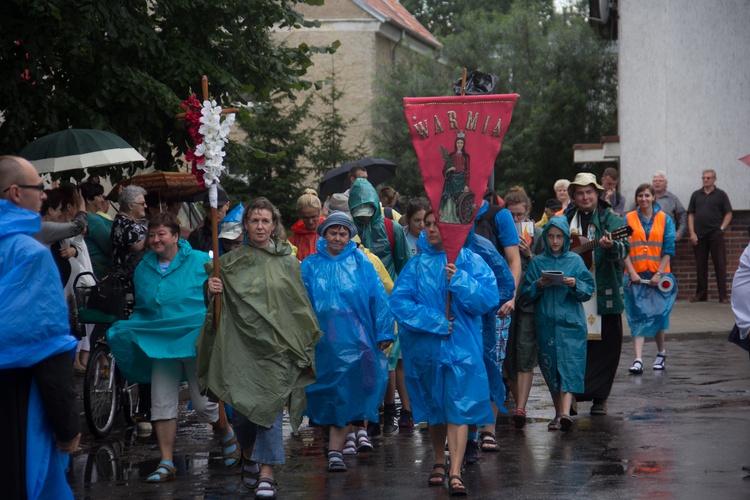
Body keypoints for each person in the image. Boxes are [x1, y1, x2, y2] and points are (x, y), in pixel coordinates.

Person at [198, 197, 321, 497]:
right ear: (246, 226)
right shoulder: (227, 265)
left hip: (278, 349)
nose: (260, 226)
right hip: (243, 348)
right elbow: (217, 308)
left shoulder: (290, 263)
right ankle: (250, 454)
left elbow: (299, 307)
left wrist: (302, 344)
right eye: (255, 221)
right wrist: (211, 289)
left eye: (266, 220)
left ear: (274, 225)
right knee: (242, 411)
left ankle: (267, 473)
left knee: (268, 406)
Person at [106, 213, 234, 482]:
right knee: (161, 403)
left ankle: (226, 432)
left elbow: (219, 294)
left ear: (176, 236)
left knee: (205, 407)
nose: (155, 240)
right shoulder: (143, 267)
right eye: (151, 235)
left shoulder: (200, 260)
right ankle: (166, 461)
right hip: (160, 344)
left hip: (193, 339)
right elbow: (145, 306)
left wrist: (212, 289)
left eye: (161, 234)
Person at [389, 209, 499, 496]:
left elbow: (488, 299)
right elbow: (399, 303)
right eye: (427, 225)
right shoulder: (415, 266)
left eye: (437, 224)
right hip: (427, 350)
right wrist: (436, 321)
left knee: (459, 407)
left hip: (463, 348)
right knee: (436, 408)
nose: (431, 229)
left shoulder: (470, 260)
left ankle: (455, 469)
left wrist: (460, 280)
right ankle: (439, 459)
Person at [0, 156, 80, 499]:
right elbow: (48, 348)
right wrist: (67, 428)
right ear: (16, 193)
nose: (44, 196)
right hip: (15, 408)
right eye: (39, 188)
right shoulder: (30, 254)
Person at [301, 211, 394, 472]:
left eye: (343, 232)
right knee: (324, 392)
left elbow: (378, 296)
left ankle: (335, 451)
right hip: (321, 342)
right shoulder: (309, 266)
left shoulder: (361, 263)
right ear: (324, 234)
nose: (338, 237)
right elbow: (300, 303)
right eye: (333, 232)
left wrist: (384, 331)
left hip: (356, 340)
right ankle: (331, 442)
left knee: (346, 391)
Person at [349, 178, 412, 436]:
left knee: (389, 357)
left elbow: (405, 265)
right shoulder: (348, 229)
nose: (364, 215)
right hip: (360, 304)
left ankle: (390, 409)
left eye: (368, 208)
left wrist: (403, 300)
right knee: (367, 357)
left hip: (389, 301)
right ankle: (371, 411)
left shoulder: (390, 228)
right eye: (358, 209)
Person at [564, 172, 629, 416]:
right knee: (573, 345)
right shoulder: (566, 218)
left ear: (597, 194)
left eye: (589, 192)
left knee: (606, 346)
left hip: (603, 290)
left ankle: (599, 397)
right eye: (580, 193)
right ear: (574, 196)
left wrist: (612, 246)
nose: (585, 196)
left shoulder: (610, 219)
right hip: (573, 290)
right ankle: (571, 395)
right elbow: (554, 243)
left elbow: (624, 248)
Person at [523, 216, 594, 431]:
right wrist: (538, 284)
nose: (555, 241)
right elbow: (526, 294)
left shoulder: (575, 260)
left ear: (565, 238)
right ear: (545, 237)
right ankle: (558, 414)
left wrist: (575, 283)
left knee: (570, 366)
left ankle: (564, 413)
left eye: (559, 236)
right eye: (551, 236)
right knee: (551, 368)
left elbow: (588, 290)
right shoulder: (537, 263)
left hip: (571, 324)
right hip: (546, 323)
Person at [623, 184, 677, 374]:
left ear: (653, 197)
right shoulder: (628, 219)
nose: (643, 199)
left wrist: (659, 273)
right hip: (635, 276)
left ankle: (661, 354)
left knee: (659, 316)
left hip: (659, 277)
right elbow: (623, 249)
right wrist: (631, 272)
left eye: (647, 195)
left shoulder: (665, 220)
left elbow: (669, 249)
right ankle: (638, 359)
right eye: (640, 195)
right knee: (637, 316)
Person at [503, 190, 544, 430]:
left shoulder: (537, 234)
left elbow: (546, 263)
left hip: (529, 301)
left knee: (525, 350)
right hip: (508, 301)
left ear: (528, 212)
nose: (518, 220)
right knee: (508, 353)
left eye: (521, 215)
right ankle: (517, 402)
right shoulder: (501, 234)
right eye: (513, 216)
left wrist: (529, 255)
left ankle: (521, 406)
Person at [687, 169, 732, 303]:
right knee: (700, 266)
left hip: (715, 234)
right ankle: (701, 295)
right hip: (699, 235)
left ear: (714, 179)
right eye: (703, 178)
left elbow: (728, 213)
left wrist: (722, 227)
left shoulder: (721, 195)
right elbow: (691, 214)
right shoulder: (696, 195)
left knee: (720, 265)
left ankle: (723, 296)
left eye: (708, 178)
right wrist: (691, 232)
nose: (705, 180)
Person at [111, 185, 148, 282]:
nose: (145, 206)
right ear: (130, 206)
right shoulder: (126, 224)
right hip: (131, 277)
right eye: (142, 203)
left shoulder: (123, 221)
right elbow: (141, 249)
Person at [80, 181, 114, 280]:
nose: (102, 199)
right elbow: (110, 247)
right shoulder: (93, 220)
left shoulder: (85, 217)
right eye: (98, 196)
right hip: (100, 274)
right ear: (89, 200)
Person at [438, 133, 471, 224]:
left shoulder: (466, 156)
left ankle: (458, 217)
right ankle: (448, 217)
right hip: (452, 180)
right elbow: (444, 169)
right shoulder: (451, 155)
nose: (459, 144)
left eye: (461, 143)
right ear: (455, 144)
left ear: (463, 144)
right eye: (458, 142)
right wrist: (450, 169)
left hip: (461, 180)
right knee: (449, 198)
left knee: (459, 199)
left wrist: (466, 184)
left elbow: (467, 171)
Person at [188, 184, 231, 252]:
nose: (214, 213)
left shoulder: (237, 231)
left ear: (227, 205)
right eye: (209, 209)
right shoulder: (197, 236)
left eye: (218, 208)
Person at [650, 171, 687, 242]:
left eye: (660, 181)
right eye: (655, 181)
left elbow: (683, 214)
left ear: (666, 183)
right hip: (648, 239)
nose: (657, 183)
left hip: (667, 238)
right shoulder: (645, 197)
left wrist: (680, 232)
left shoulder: (672, 198)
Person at [289, 188, 324, 261]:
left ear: (320, 212)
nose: (310, 222)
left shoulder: (329, 233)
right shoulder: (294, 240)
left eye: (314, 217)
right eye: (305, 218)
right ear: (300, 215)